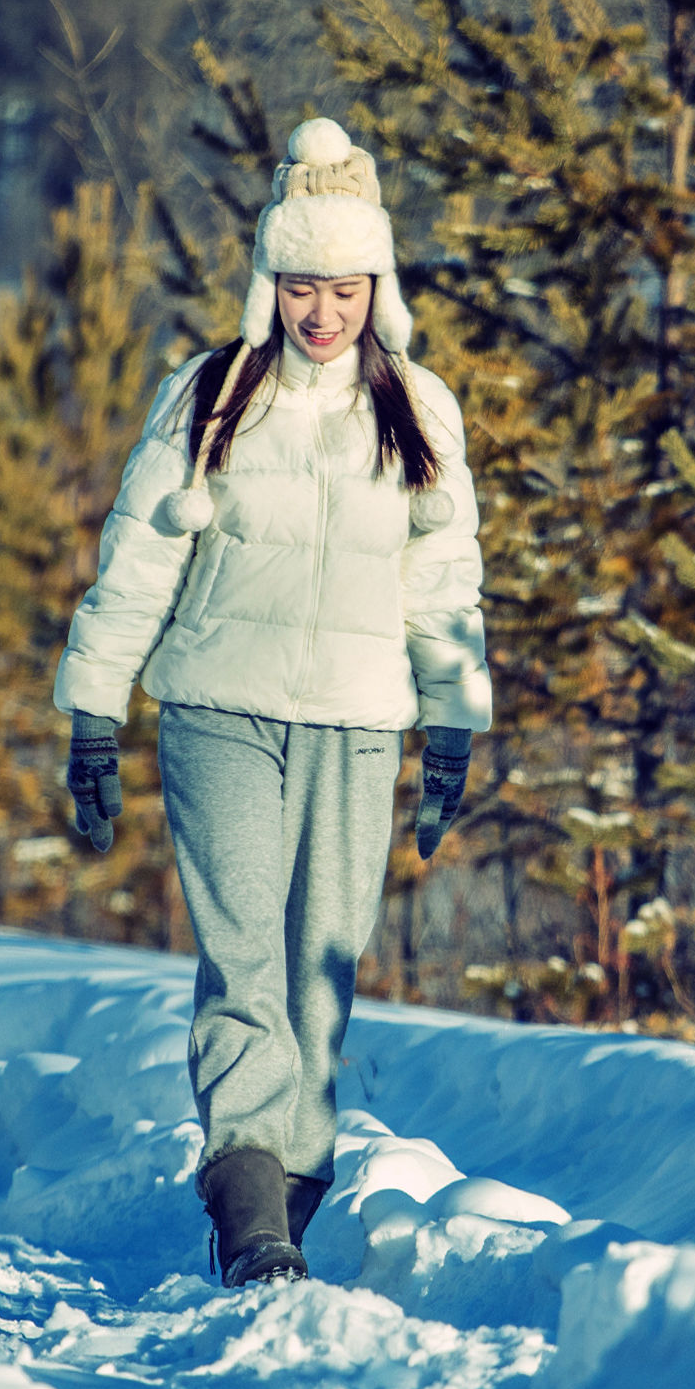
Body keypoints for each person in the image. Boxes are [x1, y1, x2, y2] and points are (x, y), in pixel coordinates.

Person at [53, 120, 492, 1286]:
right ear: (271, 283)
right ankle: (249, 1219)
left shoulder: (418, 409)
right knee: (245, 961)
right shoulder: (210, 395)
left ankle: (283, 1209)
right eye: (300, 287)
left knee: (320, 976)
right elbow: (139, 559)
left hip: (357, 723)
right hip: (219, 713)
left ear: (372, 287)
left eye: (342, 289)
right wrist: (94, 709)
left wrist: (449, 725)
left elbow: (441, 582)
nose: (320, 314)